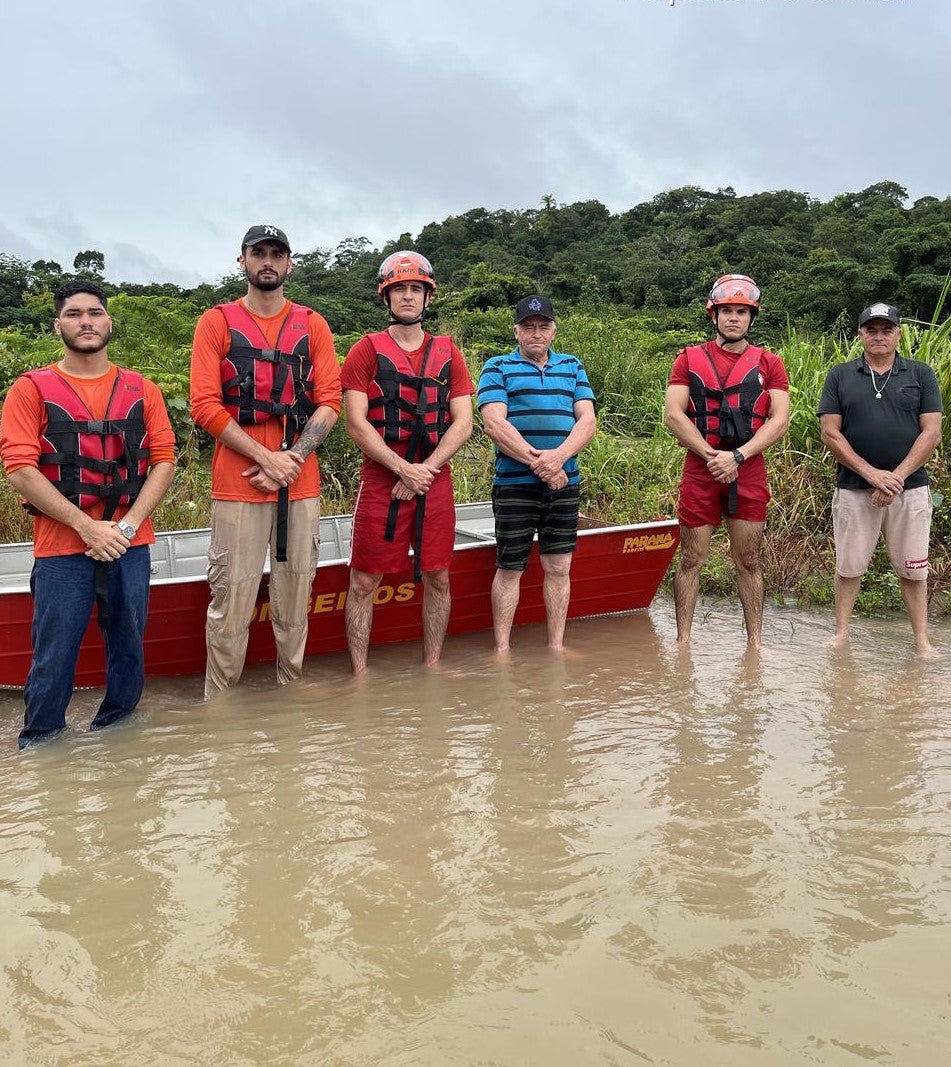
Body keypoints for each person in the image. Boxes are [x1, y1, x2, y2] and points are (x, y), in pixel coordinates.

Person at [0, 280, 176, 748]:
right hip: (61, 549)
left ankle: (118, 743)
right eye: (75, 314)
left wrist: (126, 526)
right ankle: (41, 746)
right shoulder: (30, 389)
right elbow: (19, 467)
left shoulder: (142, 388)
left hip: (129, 542)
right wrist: (85, 526)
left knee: (129, 648)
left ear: (109, 321)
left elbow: (164, 459)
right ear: (58, 324)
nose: (86, 322)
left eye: (95, 313)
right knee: (53, 656)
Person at [190, 225, 341, 697]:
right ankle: (222, 700)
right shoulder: (215, 322)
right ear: (243, 261)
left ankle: (291, 690)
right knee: (231, 599)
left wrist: (291, 459)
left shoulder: (313, 323)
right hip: (238, 483)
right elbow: (204, 404)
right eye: (259, 253)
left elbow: (330, 400)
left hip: (300, 483)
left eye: (277, 253)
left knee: (295, 596)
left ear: (290, 263)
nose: (268, 261)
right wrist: (265, 458)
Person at [341, 251, 474, 674]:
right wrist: (403, 471)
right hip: (383, 478)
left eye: (416, 289)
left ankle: (432, 666)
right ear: (387, 296)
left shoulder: (448, 353)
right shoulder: (365, 351)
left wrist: (423, 473)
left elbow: (463, 423)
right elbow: (356, 423)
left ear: (427, 296)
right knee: (363, 581)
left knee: (438, 575)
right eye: (399, 289)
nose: (408, 296)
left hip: (434, 476)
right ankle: (360, 674)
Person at [664, 273, 790, 650]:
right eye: (726, 311)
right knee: (691, 557)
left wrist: (737, 456)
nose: (733, 318)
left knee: (748, 559)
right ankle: (682, 642)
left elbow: (779, 420)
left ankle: (755, 645)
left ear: (752, 317)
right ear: (714, 315)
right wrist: (712, 456)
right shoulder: (688, 359)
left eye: (741, 311)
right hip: (702, 467)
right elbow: (674, 414)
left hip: (747, 466)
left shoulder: (770, 363)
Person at [818, 302, 943, 654]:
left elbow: (931, 432)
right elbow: (830, 433)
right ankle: (841, 634)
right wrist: (872, 475)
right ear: (860, 334)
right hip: (854, 488)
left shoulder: (920, 374)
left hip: (911, 489)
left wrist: (896, 477)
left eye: (885, 330)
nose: (878, 336)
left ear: (898, 334)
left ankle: (921, 640)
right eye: (870, 330)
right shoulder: (840, 375)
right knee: (849, 566)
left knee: (914, 569)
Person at [478, 295, 597, 653]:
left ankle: (556, 647)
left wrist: (558, 459)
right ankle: (502, 649)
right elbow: (494, 424)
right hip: (514, 484)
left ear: (553, 330)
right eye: (528, 327)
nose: (536, 333)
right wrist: (542, 465)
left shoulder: (573, 366)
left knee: (559, 566)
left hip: (565, 483)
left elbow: (587, 421)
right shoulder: (497, 366)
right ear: (516, 331)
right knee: (510, 566)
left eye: (543, 326)